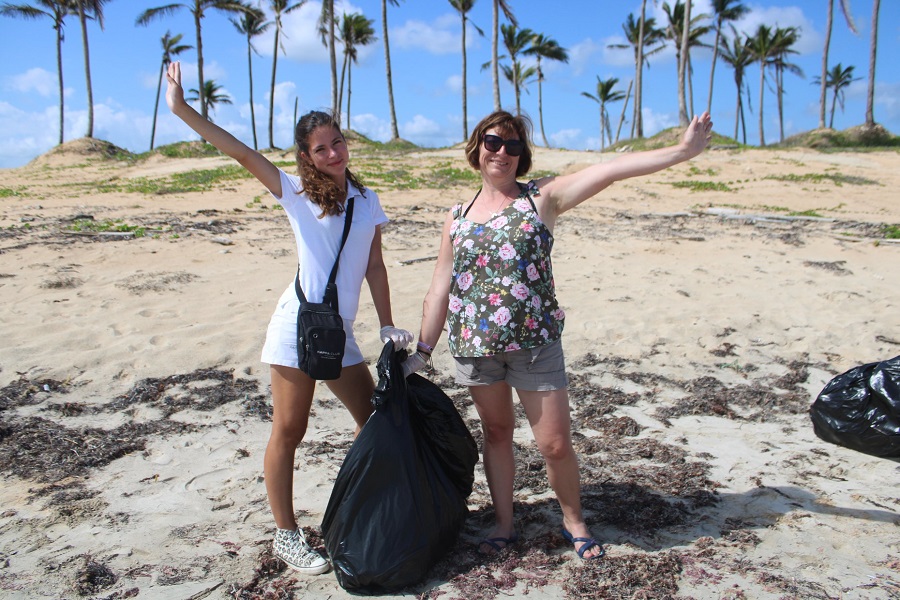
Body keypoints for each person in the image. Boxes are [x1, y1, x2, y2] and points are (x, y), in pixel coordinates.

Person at [405, 109, 713, 560]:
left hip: (535, 345)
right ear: (477, 148)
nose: (502, 153)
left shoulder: (541, 198)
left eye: (513, 146)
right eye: (493, 142)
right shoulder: (457, 216)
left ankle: (574, 520)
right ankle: (504, 523)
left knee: (554, 443)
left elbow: (609, 170)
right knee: (496, 432)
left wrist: (683, 152)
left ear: (522, 156)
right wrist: (423, 351)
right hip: (475, 347)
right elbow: (440, 284)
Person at [165, 61, 413, 574]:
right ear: (306, 157)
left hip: (339, 335)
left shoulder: (368, 201)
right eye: (320, 148)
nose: (333, 153)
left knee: (375, 421)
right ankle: (286, 534)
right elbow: (237, 150)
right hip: (297, 327)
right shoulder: (295, 195)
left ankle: (372, 511)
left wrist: (387, 325)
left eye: (337, 143)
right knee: (290, 429)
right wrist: (181, 107)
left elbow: (375, 266)